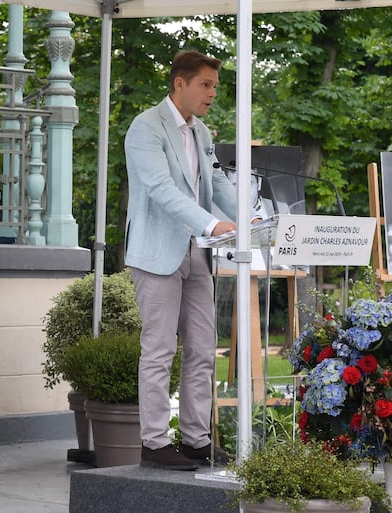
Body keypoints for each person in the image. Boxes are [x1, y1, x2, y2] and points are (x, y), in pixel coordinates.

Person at [124, 50, 249, 470]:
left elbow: (215, 181)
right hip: (158, 253)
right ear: (180, 84)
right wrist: (211, 223)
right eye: (206, 85)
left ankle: (196, 439)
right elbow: (160, 188)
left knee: (201, 348)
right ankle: (154, 443)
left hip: (198, 253)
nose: (213, 93)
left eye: (215, 86)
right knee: (159, 350)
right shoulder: (145, 128)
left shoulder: (202, 133)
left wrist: (255, 218)